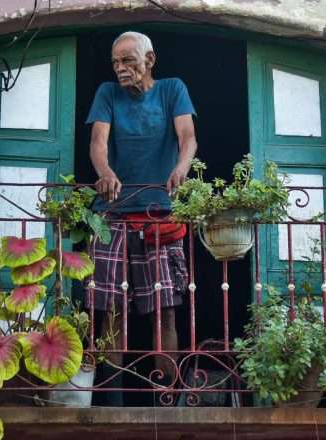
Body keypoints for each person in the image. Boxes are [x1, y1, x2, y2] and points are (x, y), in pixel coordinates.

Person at [85, 31, 197, 394]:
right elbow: (98, 141)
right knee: (112, 311)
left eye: (128, 61)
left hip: (159, 213)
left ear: (149, 60)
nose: (120, 69)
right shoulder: (108, 93)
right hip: (113, 215)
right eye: (116, 62)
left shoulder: (171, 89)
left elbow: (188, 136)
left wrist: (182, 167)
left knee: (164, 309)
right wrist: (105, 173)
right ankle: (112, 399)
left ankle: (166, 396)